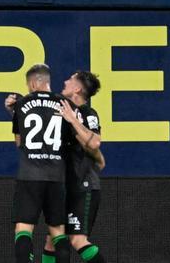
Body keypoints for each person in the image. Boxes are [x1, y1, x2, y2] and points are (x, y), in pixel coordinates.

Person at [7, 64, 72, 263]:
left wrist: (13, 111)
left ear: (34, 83)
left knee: (23, 229)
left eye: (28, 85)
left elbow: (20, 143)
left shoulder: (21, 104)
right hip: (56, 177)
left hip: (29, 176)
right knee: (58, 232)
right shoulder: (64, 104)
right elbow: (68, 141)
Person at [41, 72, 107, 263]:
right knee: (52, 240)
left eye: (70, 80)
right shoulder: (61, 110)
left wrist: (73, 119)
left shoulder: (87, 113)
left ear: (77, 89)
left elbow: (94, 143)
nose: (65, 81)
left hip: (83, 184)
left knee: (77, 239)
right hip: (64, 184)